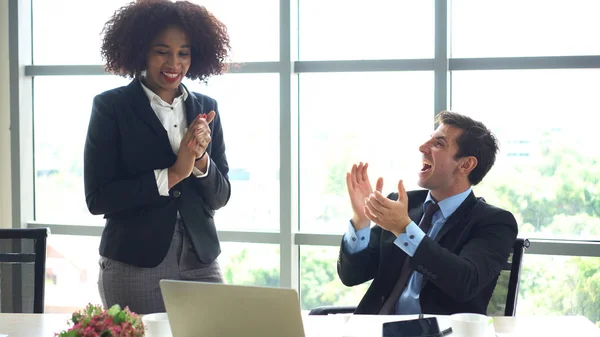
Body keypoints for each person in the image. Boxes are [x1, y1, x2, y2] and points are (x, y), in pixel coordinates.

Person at [83, 0, 231, 314]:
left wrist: (201, 159)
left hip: (201, 262)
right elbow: (98, 198)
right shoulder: (111, 108)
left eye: (184, 52)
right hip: (133, 264)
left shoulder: (206, 107)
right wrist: (175, 173)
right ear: (141, 51)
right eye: (161, 51)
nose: (174, 63)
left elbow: (220, 197)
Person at [338, 111, 518, 315]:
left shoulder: (495, 223)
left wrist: (404, 229)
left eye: (439, 143)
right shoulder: (403, 205)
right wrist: (361, 220)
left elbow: (465, 282)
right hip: (377, 329)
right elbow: (351, 276)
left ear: (466, 164)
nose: (422, 147)